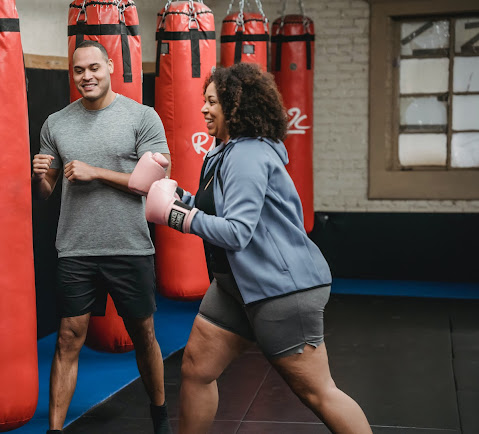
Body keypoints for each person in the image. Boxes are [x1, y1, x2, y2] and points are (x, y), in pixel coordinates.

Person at [145, 63, 372, 434]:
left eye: (212, 102)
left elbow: (236, 232)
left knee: (318, 392)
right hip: (235, 285)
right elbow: (217, 208)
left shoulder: (248, 155)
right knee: (197, 370)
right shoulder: (223, 152)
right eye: (204, 100)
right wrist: (174, 194)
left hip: (282, 289)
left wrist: (176, 217)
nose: (203, 108)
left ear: (237, 107)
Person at [32, 40, 173, 434]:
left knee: (143, 335)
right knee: (67, 339)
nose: (87, 77)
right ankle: (55, 430)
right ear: (71, 73)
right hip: (76, 248)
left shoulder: (141, 117)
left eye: (94, 67)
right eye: (79, 71)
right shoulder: (56, 123)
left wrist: (98, 172)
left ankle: (159, 415)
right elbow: (46, 193)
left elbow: (154, 184)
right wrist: (40, 176)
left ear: (110, 65)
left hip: (129, 246)